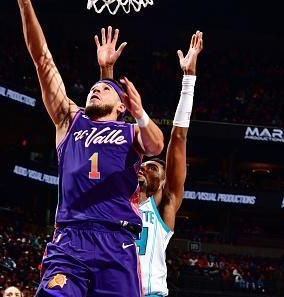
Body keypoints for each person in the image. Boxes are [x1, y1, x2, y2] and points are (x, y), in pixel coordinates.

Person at [17, 2, 164, 297]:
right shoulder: (70, 119)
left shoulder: (130, 131)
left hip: (117, 242)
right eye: (93, 88)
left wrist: (141, 114)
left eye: (104, 89)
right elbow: (42, 58)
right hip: (70, 240)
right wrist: (26, 4)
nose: (95, 90)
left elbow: (156, 144)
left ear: (122, 105)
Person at [95, 29, 203, 296]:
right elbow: (105, 128)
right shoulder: (118, 199)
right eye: (143, 164)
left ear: (165, 183)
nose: (143, 166)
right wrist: (106, 72)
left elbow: (178, 139)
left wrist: (188, 79)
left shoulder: (166, 207)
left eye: (153, 166)